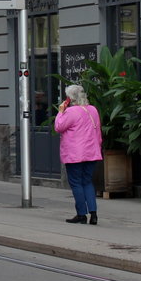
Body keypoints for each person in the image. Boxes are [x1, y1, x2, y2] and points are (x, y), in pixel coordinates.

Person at [53, 83, 103, 225]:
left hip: (75, 154)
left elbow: (58, 127)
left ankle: (81, 214)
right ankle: (93, 214)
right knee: (87, 181)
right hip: (91, 151)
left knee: (76, 183)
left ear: (70, 98)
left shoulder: (71, 112)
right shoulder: (93, 110)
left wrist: (60, 111)